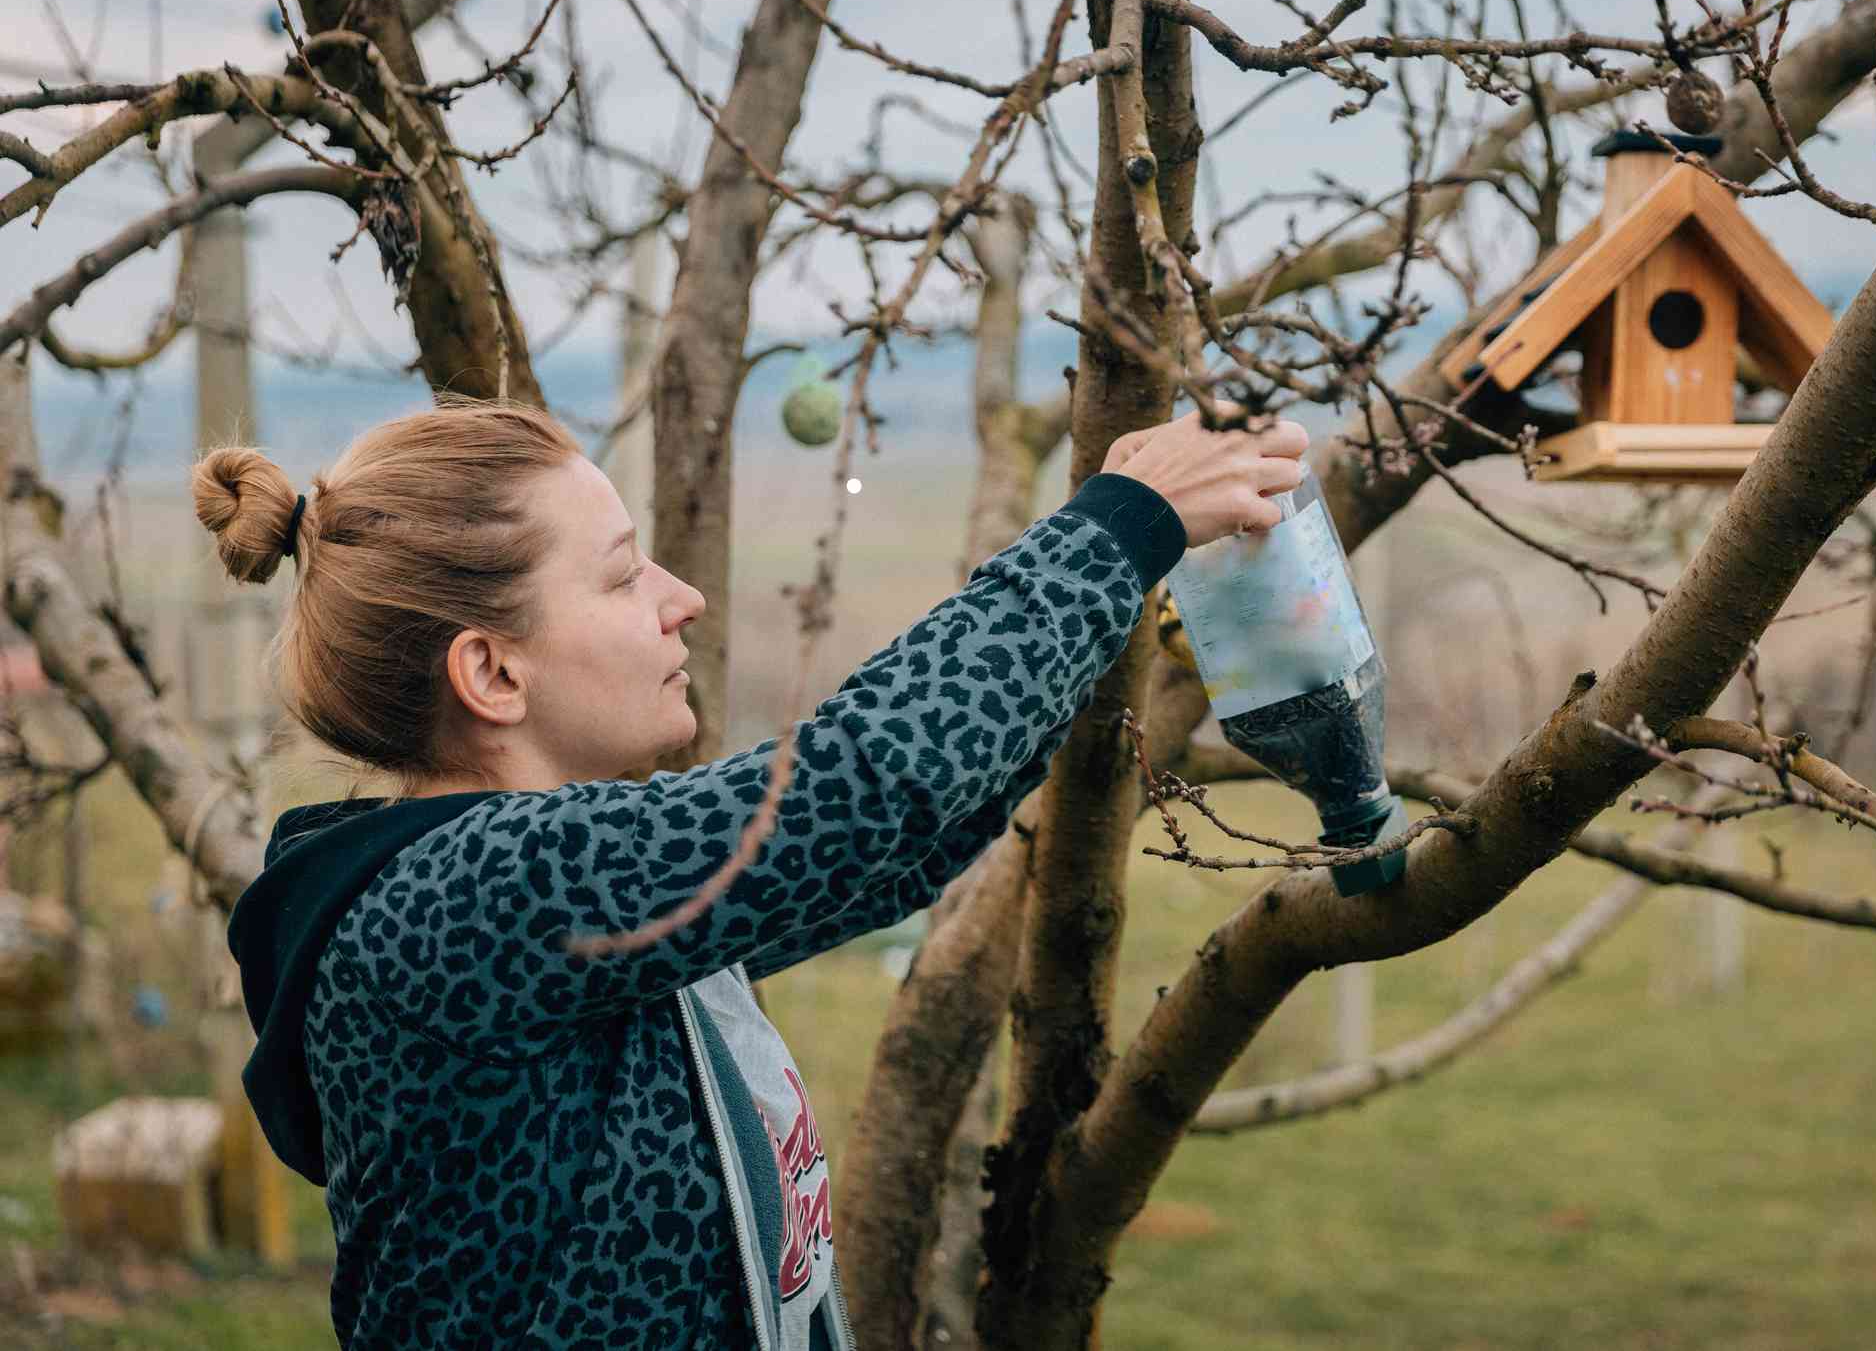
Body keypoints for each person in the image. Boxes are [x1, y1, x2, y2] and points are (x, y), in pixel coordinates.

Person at [199, 396, 1307, 1350]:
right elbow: (852, 790)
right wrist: (1121, 525)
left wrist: (1084, 621)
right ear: (491, 671)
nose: (679, 596)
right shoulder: (466, 901)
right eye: (624, 573)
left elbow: (879, 851)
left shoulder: (556, 890)